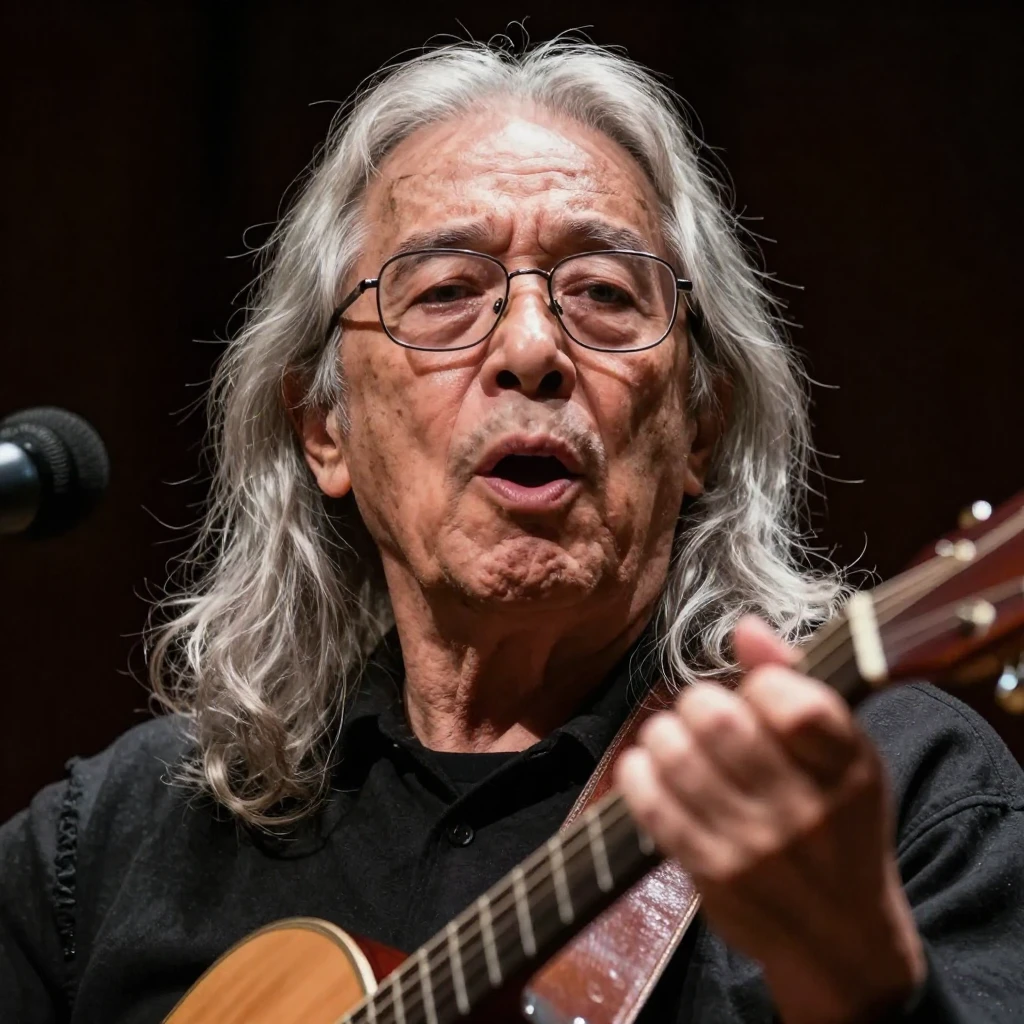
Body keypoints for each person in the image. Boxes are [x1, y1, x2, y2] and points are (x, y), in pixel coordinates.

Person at [2, 38, 1022, 1024]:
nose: (531, 348)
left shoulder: (891, 792)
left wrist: (856, 978)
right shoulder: (117, 839)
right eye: (446, 292)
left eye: (604, 294)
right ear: (324, 430)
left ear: (700, 426)